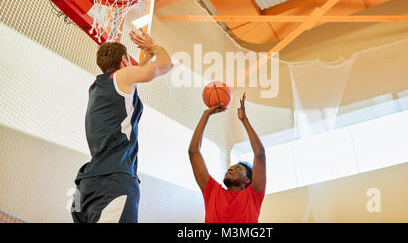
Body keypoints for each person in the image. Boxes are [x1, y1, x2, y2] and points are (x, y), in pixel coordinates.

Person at [71, 29, 172, 223]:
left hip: (86, 187)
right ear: (125, 61)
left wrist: (144, 61)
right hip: (113, 181)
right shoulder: (122, 77)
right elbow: (166, 64)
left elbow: (128, 85)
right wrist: (154, 47)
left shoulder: (98, 86)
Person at [188, 93, 266, 223]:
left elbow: (260, 154)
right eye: (230, 168)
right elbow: (193, 151)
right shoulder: (212, 191)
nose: (230, 169)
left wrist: (244, 120)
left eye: (237, 169)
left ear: (247, 180)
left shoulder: (253, 195)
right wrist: (206, 115)